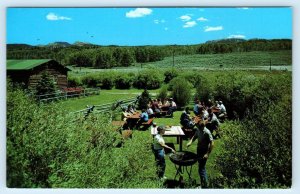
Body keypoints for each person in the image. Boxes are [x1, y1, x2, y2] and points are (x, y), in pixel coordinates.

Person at [187, 120, 214, 188]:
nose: (197, 127)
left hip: (204, 151)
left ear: (203, 126)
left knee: (201, 168)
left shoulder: (207, 132)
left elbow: (212, 143)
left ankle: (205, 185)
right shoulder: (198, 129)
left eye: (198, 127)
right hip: (199, 149)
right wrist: (190, 142)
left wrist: (207, 154)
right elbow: (195, 136)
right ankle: (203, 183)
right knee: (201, 167)